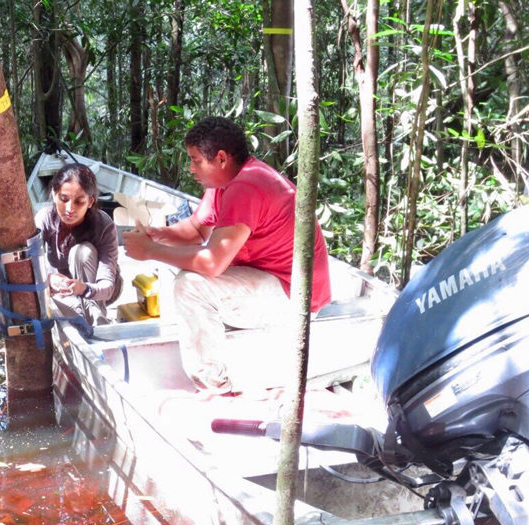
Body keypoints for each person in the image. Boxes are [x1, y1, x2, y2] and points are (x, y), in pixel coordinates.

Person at [122, 116, 331, 394]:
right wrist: (156, 234)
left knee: (190, 285)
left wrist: (150, 252)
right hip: (269, 279)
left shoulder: (246, 186)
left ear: (221, 158)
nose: (191, 167)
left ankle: (215, 387)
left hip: (296, 297)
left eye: (196, 160)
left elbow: (212, 263)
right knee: (182, 267)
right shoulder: (223, 182)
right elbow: (196, 230)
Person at [35, 163, 123, 326]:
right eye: (64, 199)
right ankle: (79, 313)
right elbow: (31, 262)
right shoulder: (44, 219)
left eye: (79, 201)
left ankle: (96, 318)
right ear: (54, 194)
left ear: (90, 201)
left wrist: (82, 289)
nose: (69, 208)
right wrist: (49, 278)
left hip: (99, 292)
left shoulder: (104, 224)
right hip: (64, 291)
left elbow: (107, 286)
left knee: (82, 252)